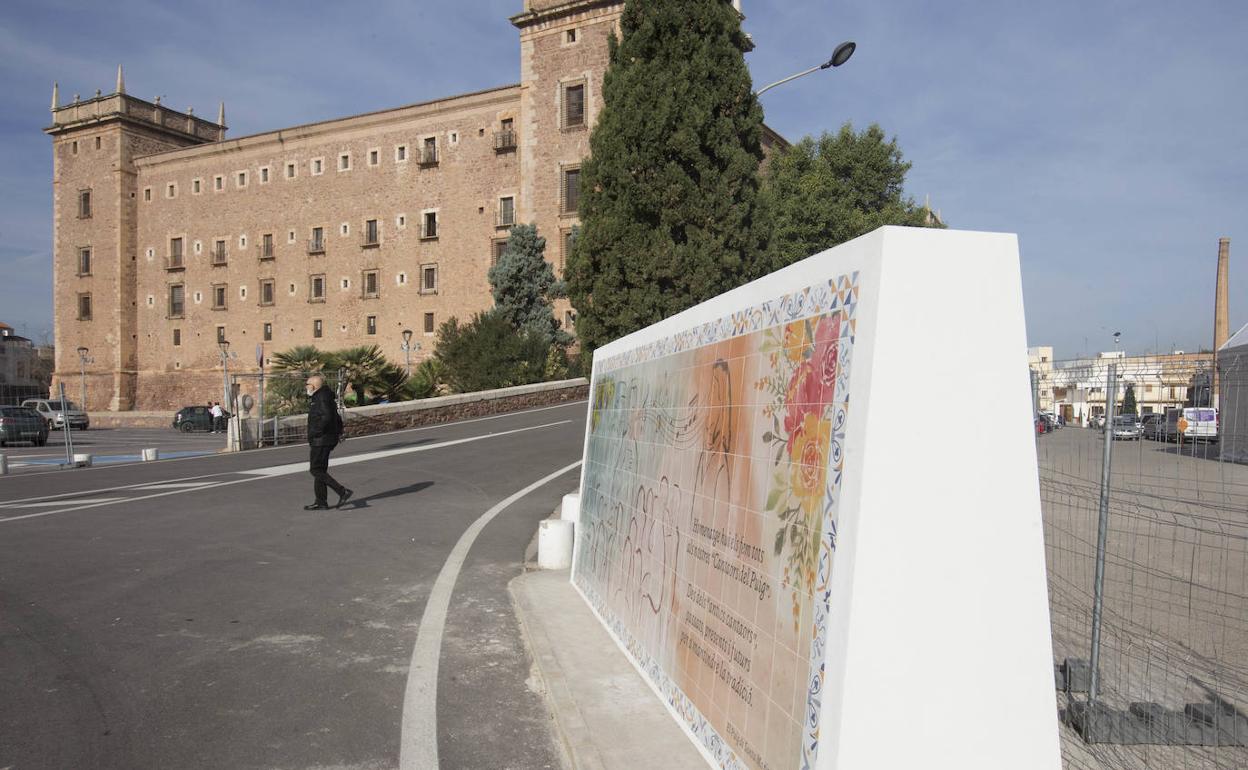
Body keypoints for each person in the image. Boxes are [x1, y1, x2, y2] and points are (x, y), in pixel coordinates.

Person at [305, 374, 352, 510]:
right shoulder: (324, 397)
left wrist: (316, 432)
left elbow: (327, 417)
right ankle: (321, 502)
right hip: (324, 439)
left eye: (307, 385)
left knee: (315, 470)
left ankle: (342, 491)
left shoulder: (321, 398)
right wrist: (339, 432)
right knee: (320, 470)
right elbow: (336, 417)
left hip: (321, 440)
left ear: (313, 386)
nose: (306, 387)